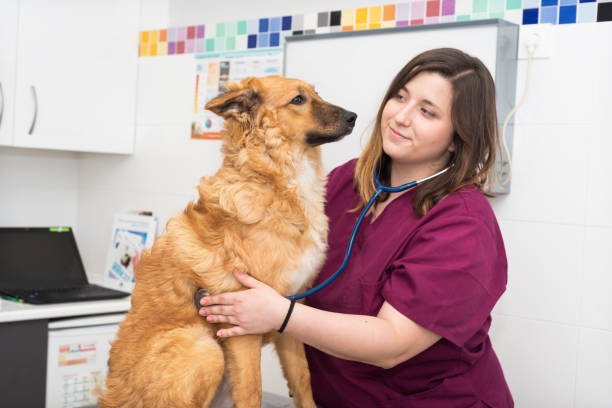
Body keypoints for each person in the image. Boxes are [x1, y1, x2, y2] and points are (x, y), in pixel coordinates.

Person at [198, 47, 513, 407]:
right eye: (400, 97)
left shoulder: (462, 226)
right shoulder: (347, 180)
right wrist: (183, 268)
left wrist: (280, 314)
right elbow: (260, 253)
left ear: (458, 138)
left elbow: (393, 343)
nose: (400, 117)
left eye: (427, 112)